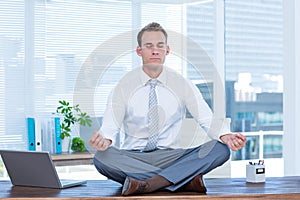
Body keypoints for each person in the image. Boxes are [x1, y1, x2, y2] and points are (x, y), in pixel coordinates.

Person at [89, 22, 246, 196]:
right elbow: (110, 126)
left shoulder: (183, 84)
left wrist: (226, 136)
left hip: (171, 158)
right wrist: (104, 140)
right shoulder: (123, 86)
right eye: (149, 46)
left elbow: (206, 119)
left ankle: (148, 185)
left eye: (160, 46)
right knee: (102, 158)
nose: (155, 51)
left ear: (167, 50)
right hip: (134, 158)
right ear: (139, 51)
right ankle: (181, 181)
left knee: (220, 149)